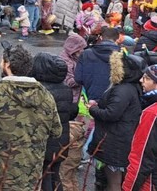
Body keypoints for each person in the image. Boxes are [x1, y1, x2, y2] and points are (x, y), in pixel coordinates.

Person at [0, 43, 62, 190]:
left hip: (0, 174)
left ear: (7, 65)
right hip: (31, 174)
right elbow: (56, 131)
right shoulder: (46, 95)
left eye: (1, 61)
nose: (0, 64)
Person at [87, 51, 144, 191]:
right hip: (120, 139)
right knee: (116, 180)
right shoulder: (132, 87)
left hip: (114, 142)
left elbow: (111, 114)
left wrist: (93, 109)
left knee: (114, 182)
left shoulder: (122, 90)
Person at [31, 52, 76, 191]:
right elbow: (71, 112)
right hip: (61, 141)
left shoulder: (40, 90)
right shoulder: (66, 89)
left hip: (45, 141)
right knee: (55, 174)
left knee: (45, 176)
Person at [58, 33, 89, 191]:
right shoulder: (64, 62)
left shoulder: (76, 60)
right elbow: (68, 81)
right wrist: (82, 78)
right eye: (81, 49)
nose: (82, 52)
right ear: (74, 49)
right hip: (69, 101)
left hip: (76, 100)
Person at [122, 64, 157, 190]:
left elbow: (141, 157)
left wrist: (128, 187)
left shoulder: (152, 113)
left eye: (147, 78)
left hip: (150, 182)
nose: (141, 80)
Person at [75, 26, 121, 102]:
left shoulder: (86, 53)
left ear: (101, 37)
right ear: (117, 39)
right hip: (113, 99)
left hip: (90, 97)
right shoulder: (121, 55)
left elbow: (78, 78)